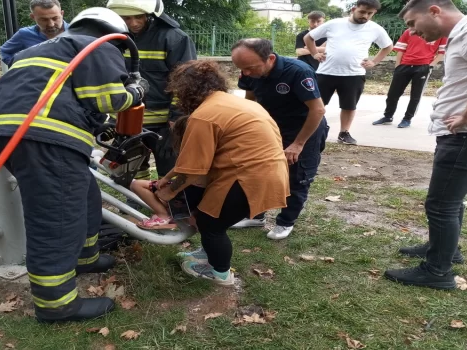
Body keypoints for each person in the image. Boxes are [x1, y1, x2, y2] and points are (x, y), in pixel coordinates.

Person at [0, 7, 147, 322]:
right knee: (56, 219)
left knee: (84, 195)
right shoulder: (98, 46)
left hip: (13, 133)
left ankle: (86, 257)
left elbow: (67, 96)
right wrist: (137, 91)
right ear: (114, 34)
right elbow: (106, 100)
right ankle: (56, 305)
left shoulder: (44, 47)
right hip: (46, 139)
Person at [153, 60, 290, 285]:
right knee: (214, 219)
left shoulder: (203, 115)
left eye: (178, 93)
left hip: (247, 178)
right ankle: (208, 255)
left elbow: (193, 171)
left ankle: (220, 273)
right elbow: (194, 162)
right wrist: (168, 178)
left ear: (187, 90)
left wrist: (166, 193)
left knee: (210, 224)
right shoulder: (233, 103)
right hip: (271, 172)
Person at [384, 0, 467, 290]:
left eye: (413, 24)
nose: (412, 32)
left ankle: (437, 271)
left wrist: (466, 115)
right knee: (451, 200)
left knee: (441, 204)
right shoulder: (462, 35)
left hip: (466, 134)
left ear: (434, 11)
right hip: (458, 133)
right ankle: (445, 250)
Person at [232, 38, 329, 241]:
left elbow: (317, 109)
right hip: (272, 128)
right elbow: (251, 102)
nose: (246, 73)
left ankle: (285, 222)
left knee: (296, 176)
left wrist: (298, 144)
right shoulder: (248, 72)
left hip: (304, 129)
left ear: (270, 58)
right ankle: (256, 215)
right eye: (241, 69)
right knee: (260, 171)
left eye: (250, 67)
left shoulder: (298, 71)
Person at [107, 0, 197, 210]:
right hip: (126, 117)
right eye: (127, 18)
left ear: (150, 15)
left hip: (164, 121)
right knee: (131, 165)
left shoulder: (174, 38)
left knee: (170, 166)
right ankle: (135, 205)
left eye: (138, 17)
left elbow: (186, 81)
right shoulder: (114, 38)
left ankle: (174, 208)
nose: (133, 23)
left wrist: (176, 117)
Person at [304, 0, 393, 145]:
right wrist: (314, 54)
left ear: (374, 13)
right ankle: (311, 131)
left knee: (349, 106)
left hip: (354, 74)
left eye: (370, 13)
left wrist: (374, 61)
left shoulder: (375, 29)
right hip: (326, 72)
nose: (365, 16)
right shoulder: (335, 23)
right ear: (354, 9)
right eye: (362, 12)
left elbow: (388, 46)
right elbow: (308, 37)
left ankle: (344, 133)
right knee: (316, 105)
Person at [372, 29, 447, 128]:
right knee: (393, 94)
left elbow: (441, 53)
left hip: (423, 67)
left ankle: (407, 118)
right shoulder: (410, 31)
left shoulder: (440, 33)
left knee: (415, 95)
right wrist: (398, 66)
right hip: (404, 65)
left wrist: (430, 66)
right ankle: (388, 116)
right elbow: (401, 49)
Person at [0, 0, 69, 67]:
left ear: (62, 14)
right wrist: (20, 67)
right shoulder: (24, 34)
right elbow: (5, 51)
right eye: (44, 20)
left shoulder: (77, 32)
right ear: (33, 17)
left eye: (55, 18)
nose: (51, 24)